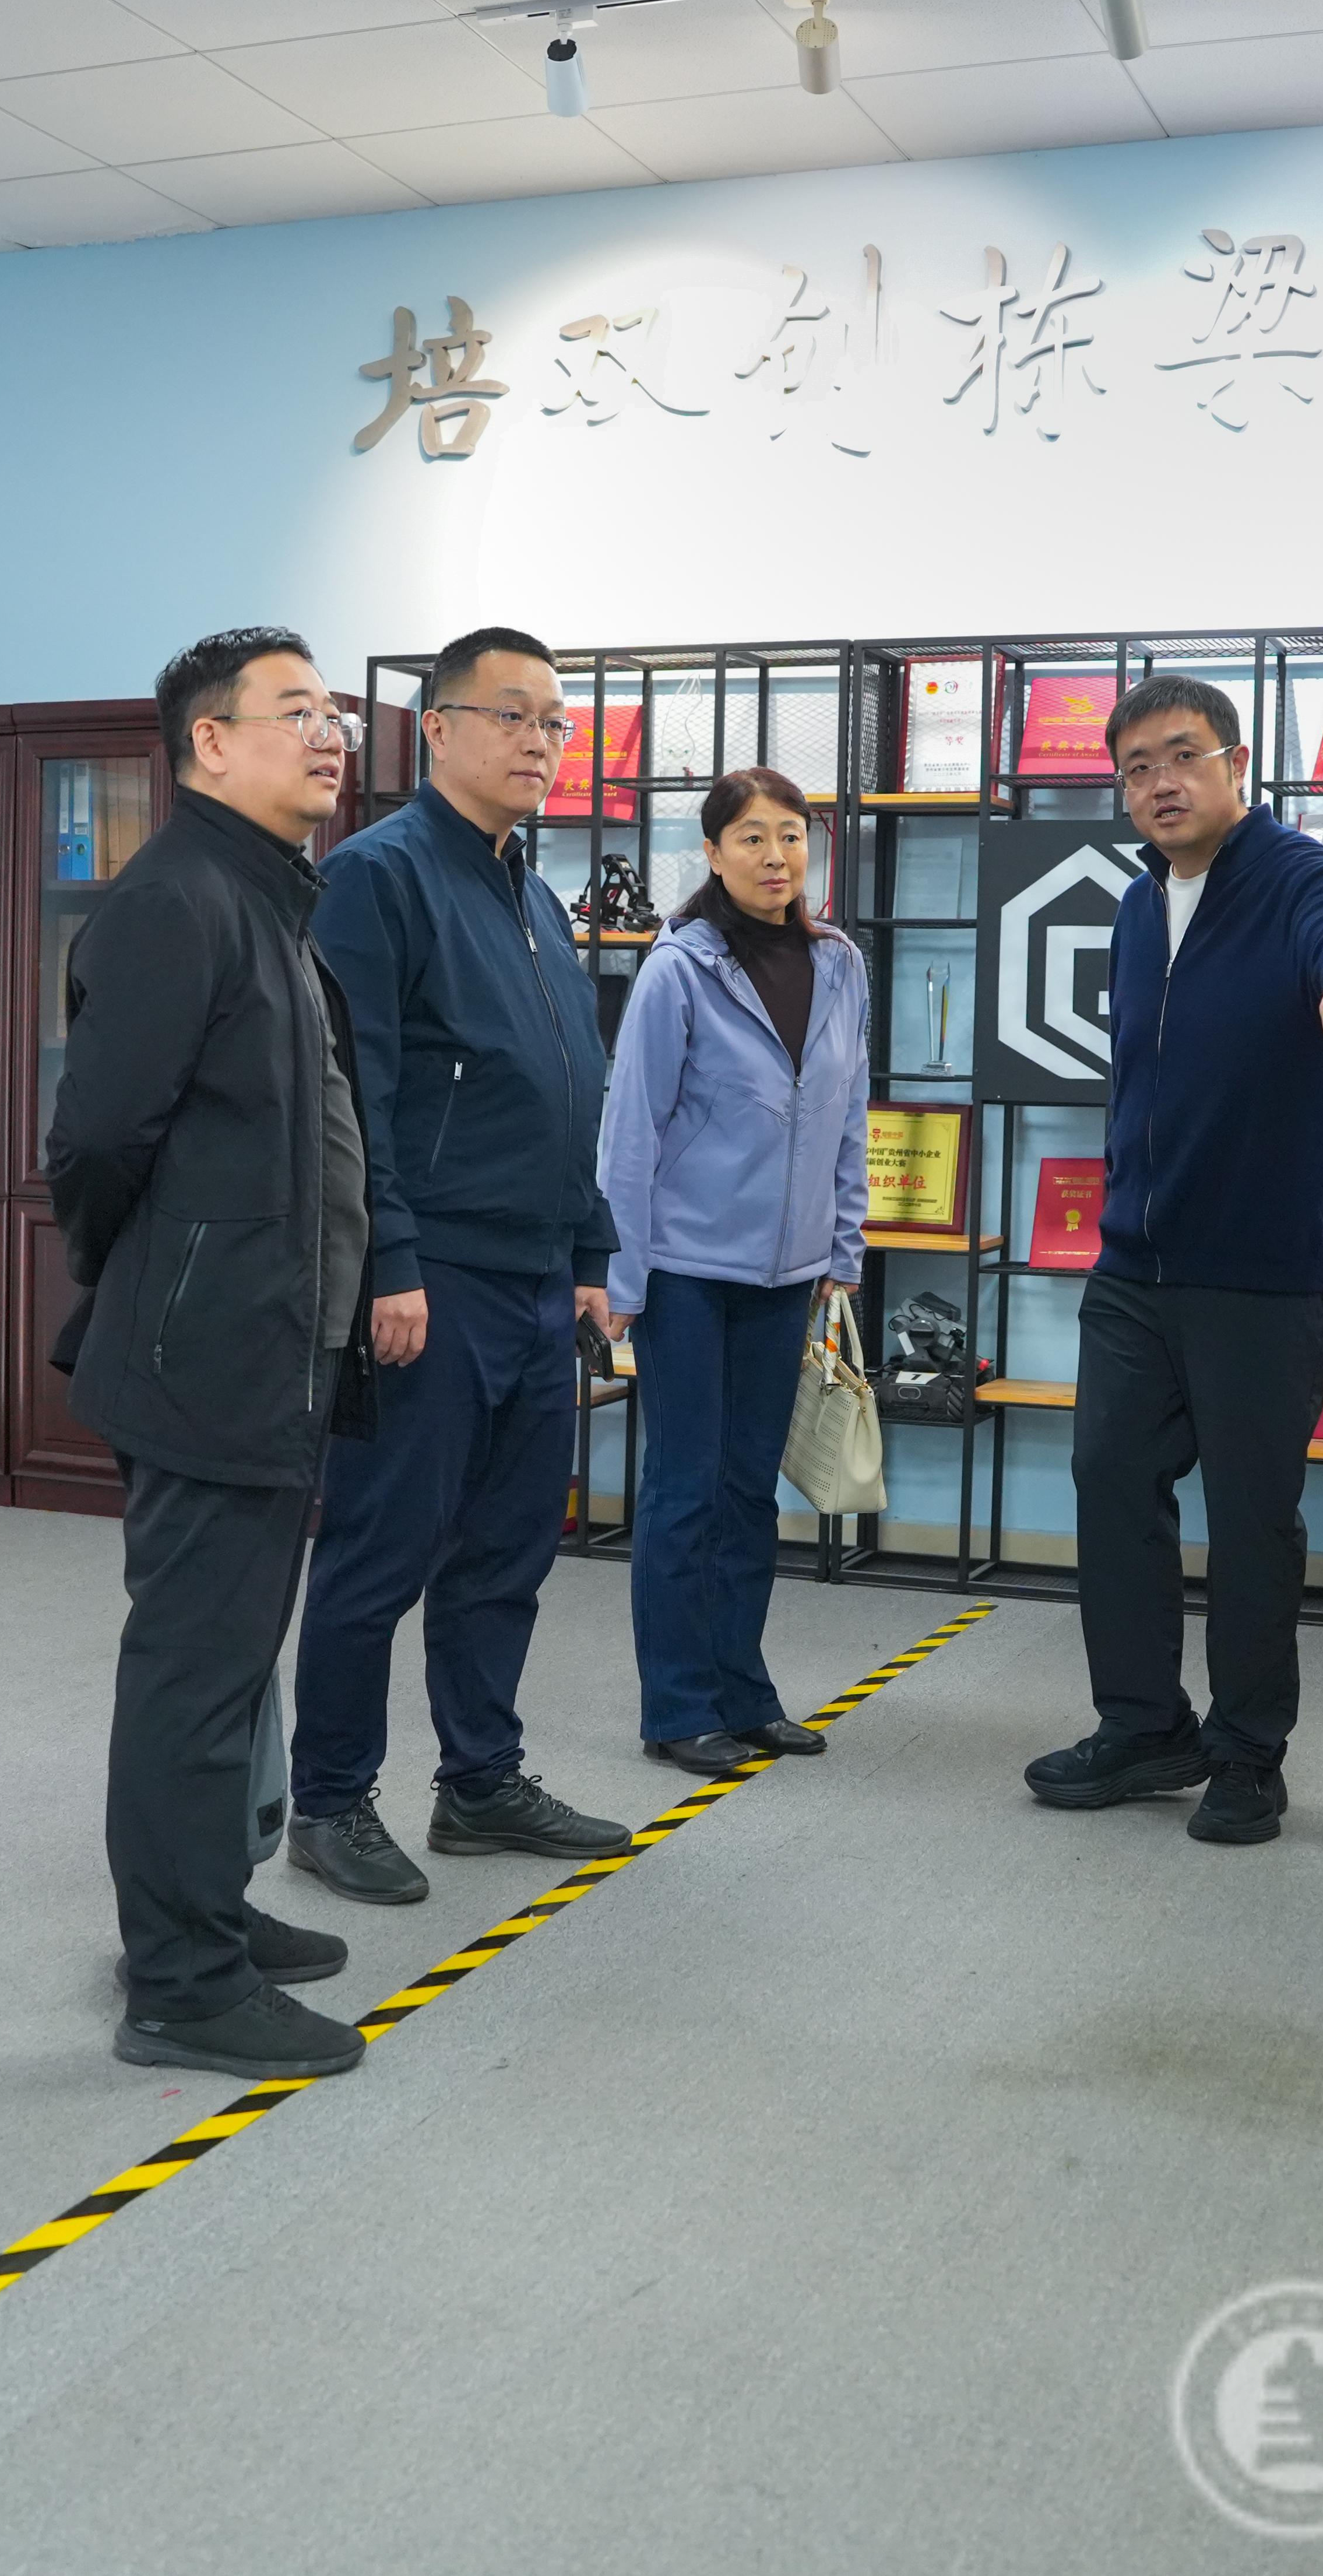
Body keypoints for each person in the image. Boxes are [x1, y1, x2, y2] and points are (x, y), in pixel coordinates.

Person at [50, 628, 382, 2078]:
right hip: (209, 1347)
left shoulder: (264, 896)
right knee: (193, 1671)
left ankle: (204, 1910)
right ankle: (181, 1984)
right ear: (209, 742)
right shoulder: (175, 901)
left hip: (267, 1343)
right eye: (295, 710)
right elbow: (95, 1142)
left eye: (334, 711)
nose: (329, 735)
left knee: (234, 1666)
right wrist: (157, 1272)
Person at [286, 625, 635, 1903]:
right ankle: (331, 1800)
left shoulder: (532, 891)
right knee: (379, 1550)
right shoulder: (377, 877)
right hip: (432, 1278)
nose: (541, 742)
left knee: (507, 1551)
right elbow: (356, 1092)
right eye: (513, 715)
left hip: (538, 1279)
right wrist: (389, 1262)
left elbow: (568, 1086)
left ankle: (481, 1781)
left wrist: (589, 1248)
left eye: (555, 722)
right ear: (437, 727)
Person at [1020, 676, 1323, 1846]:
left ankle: (1247, 1753)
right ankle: (1146, 1726)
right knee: (1109, 1484)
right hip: (1135, 1263)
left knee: (1250, 1519)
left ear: (1236, 764)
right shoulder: (1139, 906)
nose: (1161, 783)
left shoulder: (1296, 872)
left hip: (1261, 1270)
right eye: (1136, 767)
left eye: (1183, 755)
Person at [596, 767, 870, 1777]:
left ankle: (743, 1692)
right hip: (684, 1271)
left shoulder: (839, 962)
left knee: (750, 1490)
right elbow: (630, 1131)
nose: (775, 856)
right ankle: (677, 1707)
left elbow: (849, 1110)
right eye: (751, 838)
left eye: (791, 835)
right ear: (712, 854)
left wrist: (843, 1244)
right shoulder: (679, 969)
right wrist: (620, 1277)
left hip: (787, 1273)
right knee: (685, 1489)